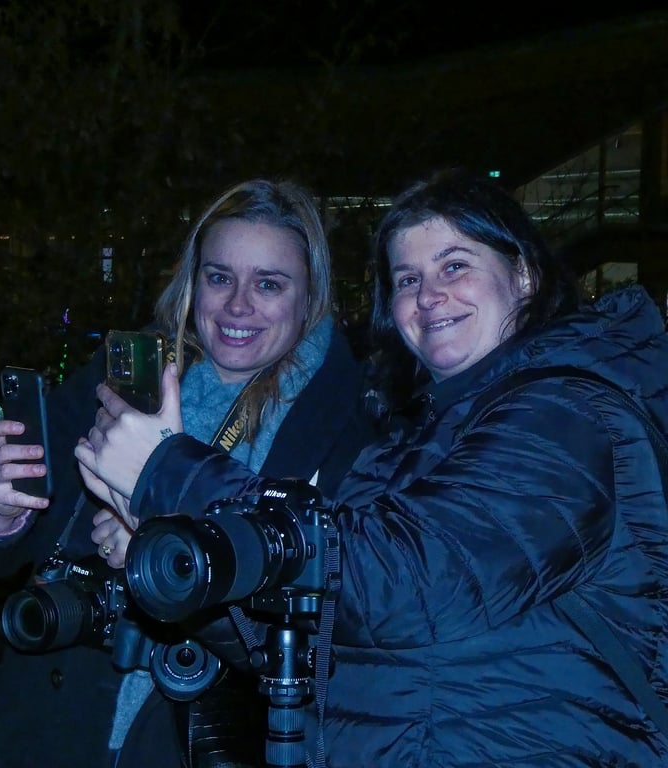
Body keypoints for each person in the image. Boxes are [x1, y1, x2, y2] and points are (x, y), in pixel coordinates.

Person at [76, 167, 668, 767]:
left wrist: (167, 468)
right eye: (407, 278)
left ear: (523, 273)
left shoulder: (565, 414)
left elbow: (403, 580)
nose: (429, 294)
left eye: (454, 265)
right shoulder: (412, 445)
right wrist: (181, 557)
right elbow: (311, 634)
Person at [0, 178, 378, 768]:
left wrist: (156, 539)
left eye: (268, 284)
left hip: (204, 732)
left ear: (311, 296)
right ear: (192, 282)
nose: (238, 305)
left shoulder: (348, 420)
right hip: (54, 718)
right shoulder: (127, 373)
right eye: (219, 277)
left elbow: (338, 616)